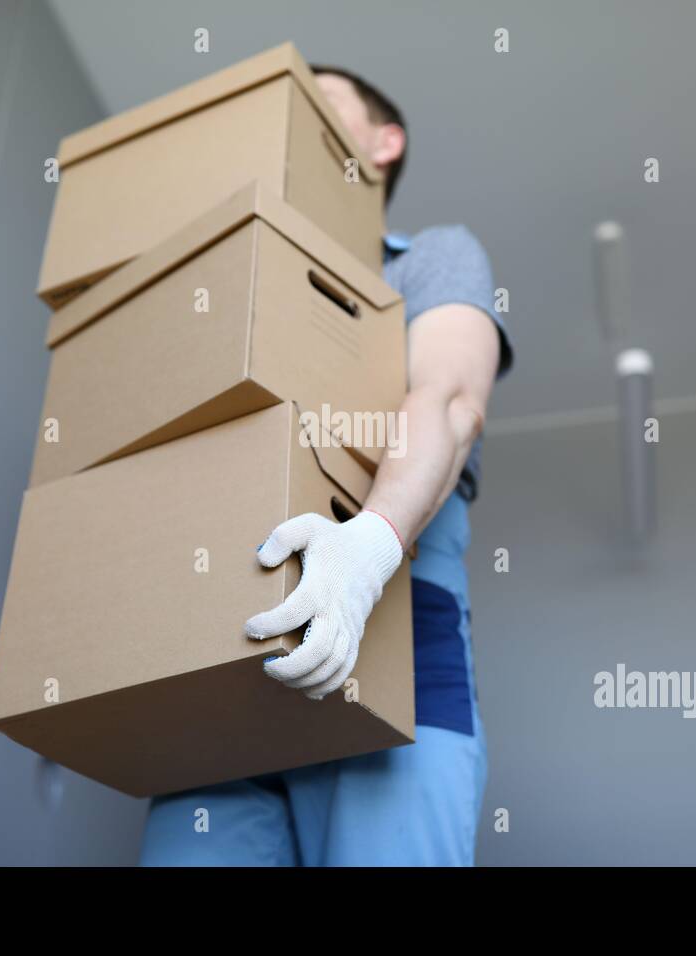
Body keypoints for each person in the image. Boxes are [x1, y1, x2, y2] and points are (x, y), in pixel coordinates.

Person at [138, 65, 514, 866]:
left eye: (319, 101)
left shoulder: (430, 258)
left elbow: (449, 400)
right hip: (220, 649)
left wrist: (371, 545)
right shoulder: (227, 287)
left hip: (397, 629)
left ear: (384, 143)